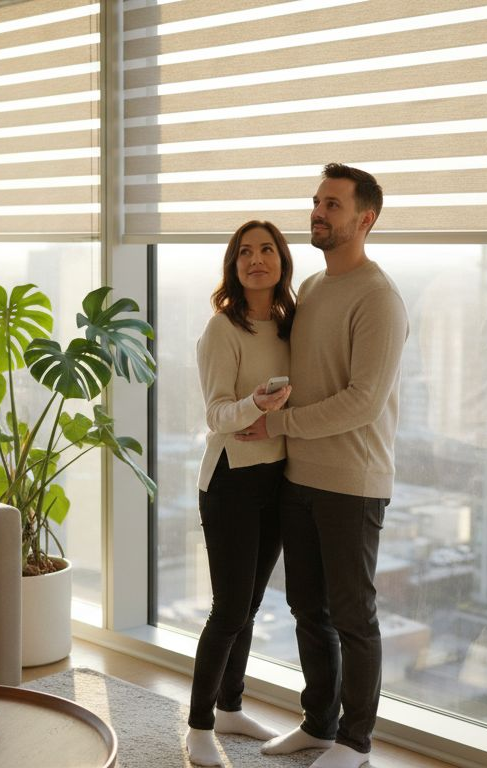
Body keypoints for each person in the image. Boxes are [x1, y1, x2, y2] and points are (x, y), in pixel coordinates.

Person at [236, 163, 408, 768]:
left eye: (332, 205)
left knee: (354, 617)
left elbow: (362, 402)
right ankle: (318, 724)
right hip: (298, 476)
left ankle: (356, 744)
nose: (318, 213)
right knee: (309, 609)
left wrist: (277, 424)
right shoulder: (310, 289)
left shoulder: (379, 298)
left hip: (351, 484)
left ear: (366, 218)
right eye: (316, 202)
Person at [184, 220, 298, 766]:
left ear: (282, 259)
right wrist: (256, 403)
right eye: (246, 252)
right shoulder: (221, 330)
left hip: (277, 479)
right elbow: (216, 414)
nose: (257, 259)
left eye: (267, 249)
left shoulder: (289, 324)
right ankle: (199, 725)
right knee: (229, 609)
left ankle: (230, 706)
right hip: (230, 480)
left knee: (249, 606)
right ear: (233, 264)